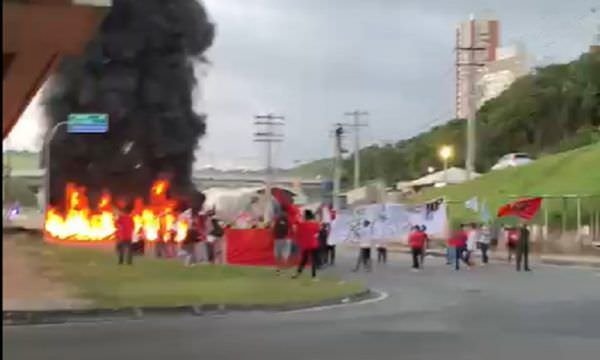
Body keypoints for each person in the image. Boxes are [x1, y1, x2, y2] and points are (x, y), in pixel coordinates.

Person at [292, 210, 321, 279]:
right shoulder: (315, 224)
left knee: (303, 260)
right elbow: (317, 234)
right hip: (313, 244)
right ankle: (314, 276)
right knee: (313, 260)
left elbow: (296, 230)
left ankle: (298, 273)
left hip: (305, 245)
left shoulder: (301, 224)